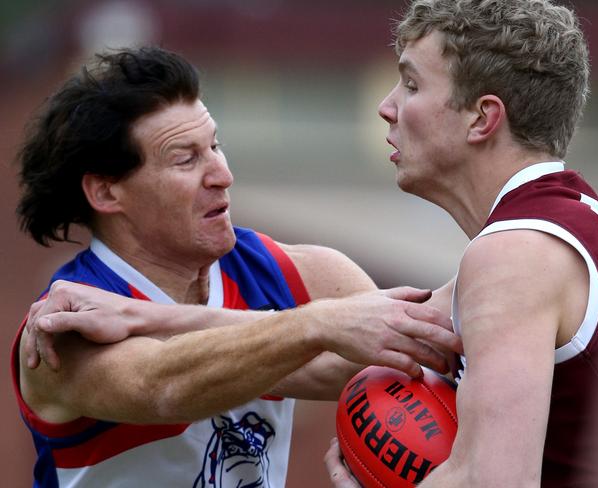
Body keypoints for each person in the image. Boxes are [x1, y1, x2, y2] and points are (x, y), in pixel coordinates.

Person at [12, 46, 462, 487]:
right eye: (186, 159)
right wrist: (316, 323)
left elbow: (404, 363)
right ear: (107, 193)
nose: (222, 174)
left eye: (215, 145)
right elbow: (162, 385)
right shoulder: (60, 331)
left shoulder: (303, 274)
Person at [323, 0, 598, 486]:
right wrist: (177, 328)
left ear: (482, 118)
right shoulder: (584, 227)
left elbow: (493, 480)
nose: (386, 106)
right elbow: (338, 353)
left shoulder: (514, 254)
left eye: (411, 84)